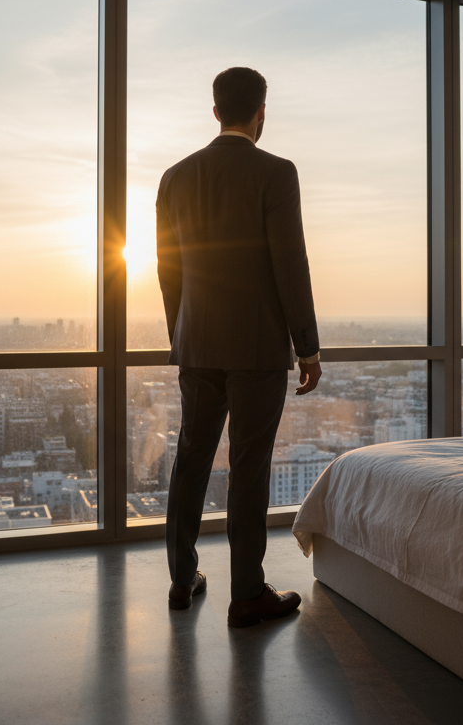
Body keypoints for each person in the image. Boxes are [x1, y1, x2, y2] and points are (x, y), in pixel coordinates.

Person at [156, 66, 322, 628]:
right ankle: (247, 592)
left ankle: (182, 580)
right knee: (248, 468)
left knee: (190, 459)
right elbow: (289, 263)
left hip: (196, 342)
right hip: (256, 351)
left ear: (214, 110)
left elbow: (167, 271)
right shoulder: (276, 173)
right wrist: (308, 346)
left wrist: (181, 331)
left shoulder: (174, 178)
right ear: (261, 113)